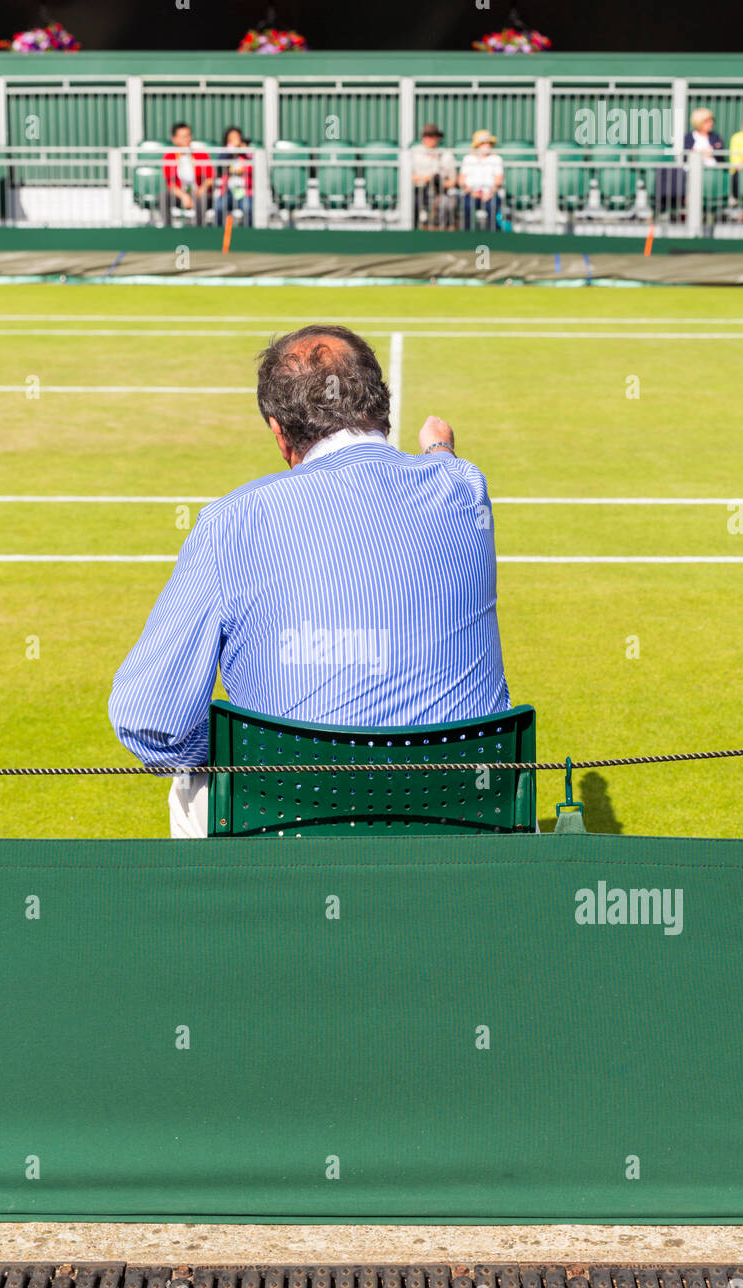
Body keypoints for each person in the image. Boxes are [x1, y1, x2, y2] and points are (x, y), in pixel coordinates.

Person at [109, 325, 511, 838]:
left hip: (288, 829)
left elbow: (148, 721)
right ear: (380, 406)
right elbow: (451, 471)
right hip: (465, 823)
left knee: (188, 788)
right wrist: (441, 455)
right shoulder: (463, 487)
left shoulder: (230, 523)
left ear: (279, 433)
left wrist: (243, 747)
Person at [163, 122, 214, 224]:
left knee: (202, 200)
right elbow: (170, 184)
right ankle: (167, 229)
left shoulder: (201, 155)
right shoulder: (169, 157)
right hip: (180, 194)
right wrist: (183, 196)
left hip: (199, 193)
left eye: (188, 136)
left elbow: (210, 178)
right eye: (183, 137)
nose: (187, 139)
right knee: (163, 197)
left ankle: (199, 229)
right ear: (174, 139)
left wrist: (201, 189)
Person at [411, 122, 457, 229]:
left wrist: (441, 184)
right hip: (421, 189)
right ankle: (414, 229)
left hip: (441, 191)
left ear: (437, 138)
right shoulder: (415, 153)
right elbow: (411, 177)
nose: (428, 139)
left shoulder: (446, 154)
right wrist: (428, 178)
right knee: (414, 202)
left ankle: (440, 231)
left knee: (447, 203)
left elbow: (453, 179)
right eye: (426, 136)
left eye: (431, 136)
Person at [459, 129, 505, 231]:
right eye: (483, 143)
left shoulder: (496, 159)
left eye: (488, 143)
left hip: (490, 194)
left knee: (493, 206)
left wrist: (489, 193)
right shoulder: (468, 159)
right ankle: (467, 234)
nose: (487, 146)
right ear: (477, 145)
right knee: (467, 206)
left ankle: (493, 235)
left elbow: (498, 181)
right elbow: (461, 180)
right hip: (471, 193)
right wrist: (472, 192)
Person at [214, 126, 253, 227]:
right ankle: (219, 231)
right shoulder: (225, 154)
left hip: (244, 192)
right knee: (219, 207)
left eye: (236, 138)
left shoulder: (246, 155)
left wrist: (245, 152)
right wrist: (230, 151)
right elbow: (219, 166)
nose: (235, 141)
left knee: (248, 208)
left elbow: (252, 169)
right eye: (231, 139)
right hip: (227, 192)